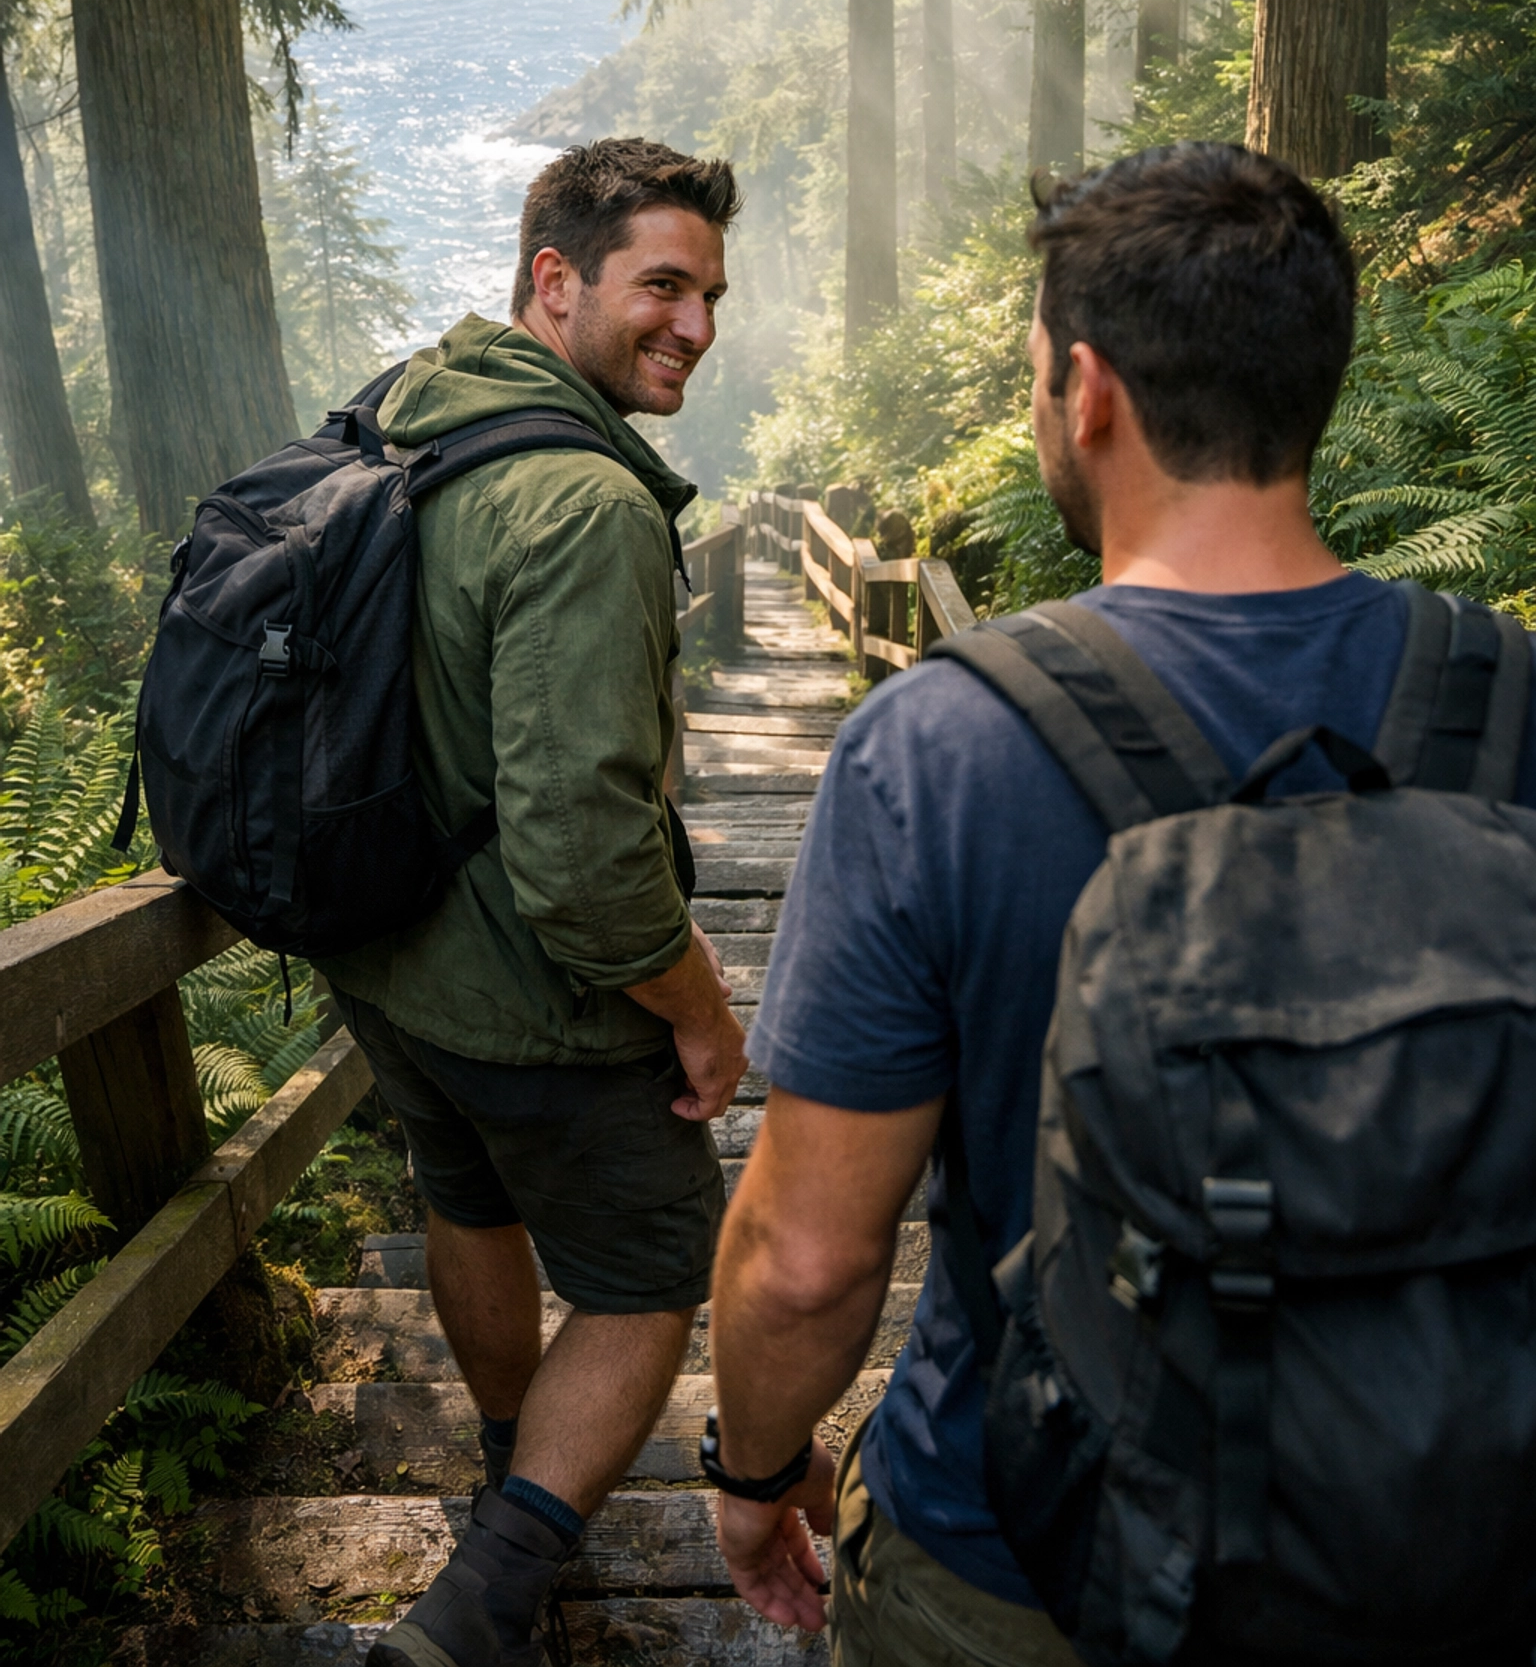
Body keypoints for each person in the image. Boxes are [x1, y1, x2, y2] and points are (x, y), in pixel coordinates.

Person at [703, 140, 1536, 1667]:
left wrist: (752, 1476)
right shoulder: (1512, 699)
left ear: (1085, 392)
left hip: (1025, 1553)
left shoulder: (938, 747)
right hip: (1445, 1532)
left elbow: (810, 1261)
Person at [321, 138, 749, 1667]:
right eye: (663, 285)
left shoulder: (415, 408)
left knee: (467, 1201)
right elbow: (583, 865)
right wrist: (701, 1010)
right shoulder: (588, 504)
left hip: (390, 960)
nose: (695, 324)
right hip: (533, 1002)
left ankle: (513, 1466)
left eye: (710, 295)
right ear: (555, 280)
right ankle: (486, 1602)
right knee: (654, 1277)